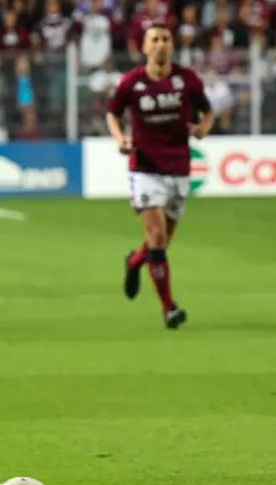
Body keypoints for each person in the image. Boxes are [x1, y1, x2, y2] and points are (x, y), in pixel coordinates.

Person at [106, 23, 213, 329]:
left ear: (172, 45)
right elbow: (112, 112)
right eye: (155, 39)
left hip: (179, 168)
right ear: (145, 47)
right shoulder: (132, 83)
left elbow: (207, 111)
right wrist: (120, 139)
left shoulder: (187, 80)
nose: (161, 44)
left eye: (166, 38)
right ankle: (169, 307)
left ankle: (134, 262)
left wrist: (204, 126)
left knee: (160, 245)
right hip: (145, 168)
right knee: (155, 237)